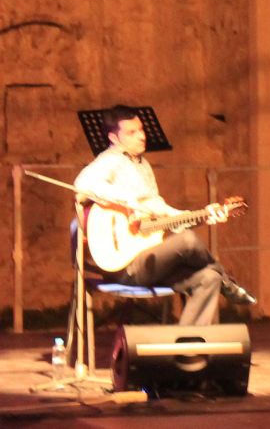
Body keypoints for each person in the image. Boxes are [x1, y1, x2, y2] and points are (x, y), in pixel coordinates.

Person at [73, 104, 256, 326]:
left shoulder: (142, 165)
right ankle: (228, 284)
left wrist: (199, 216)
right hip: (124, 265)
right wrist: (128, 201)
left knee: (209, 278)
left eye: (141, 129)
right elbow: (82, 185)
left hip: (149, 259)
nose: (141, 136)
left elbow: (159, 211)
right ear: (114, 138)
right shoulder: (111, 159)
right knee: (187, 241)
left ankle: (189, 344)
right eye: (132, 132)